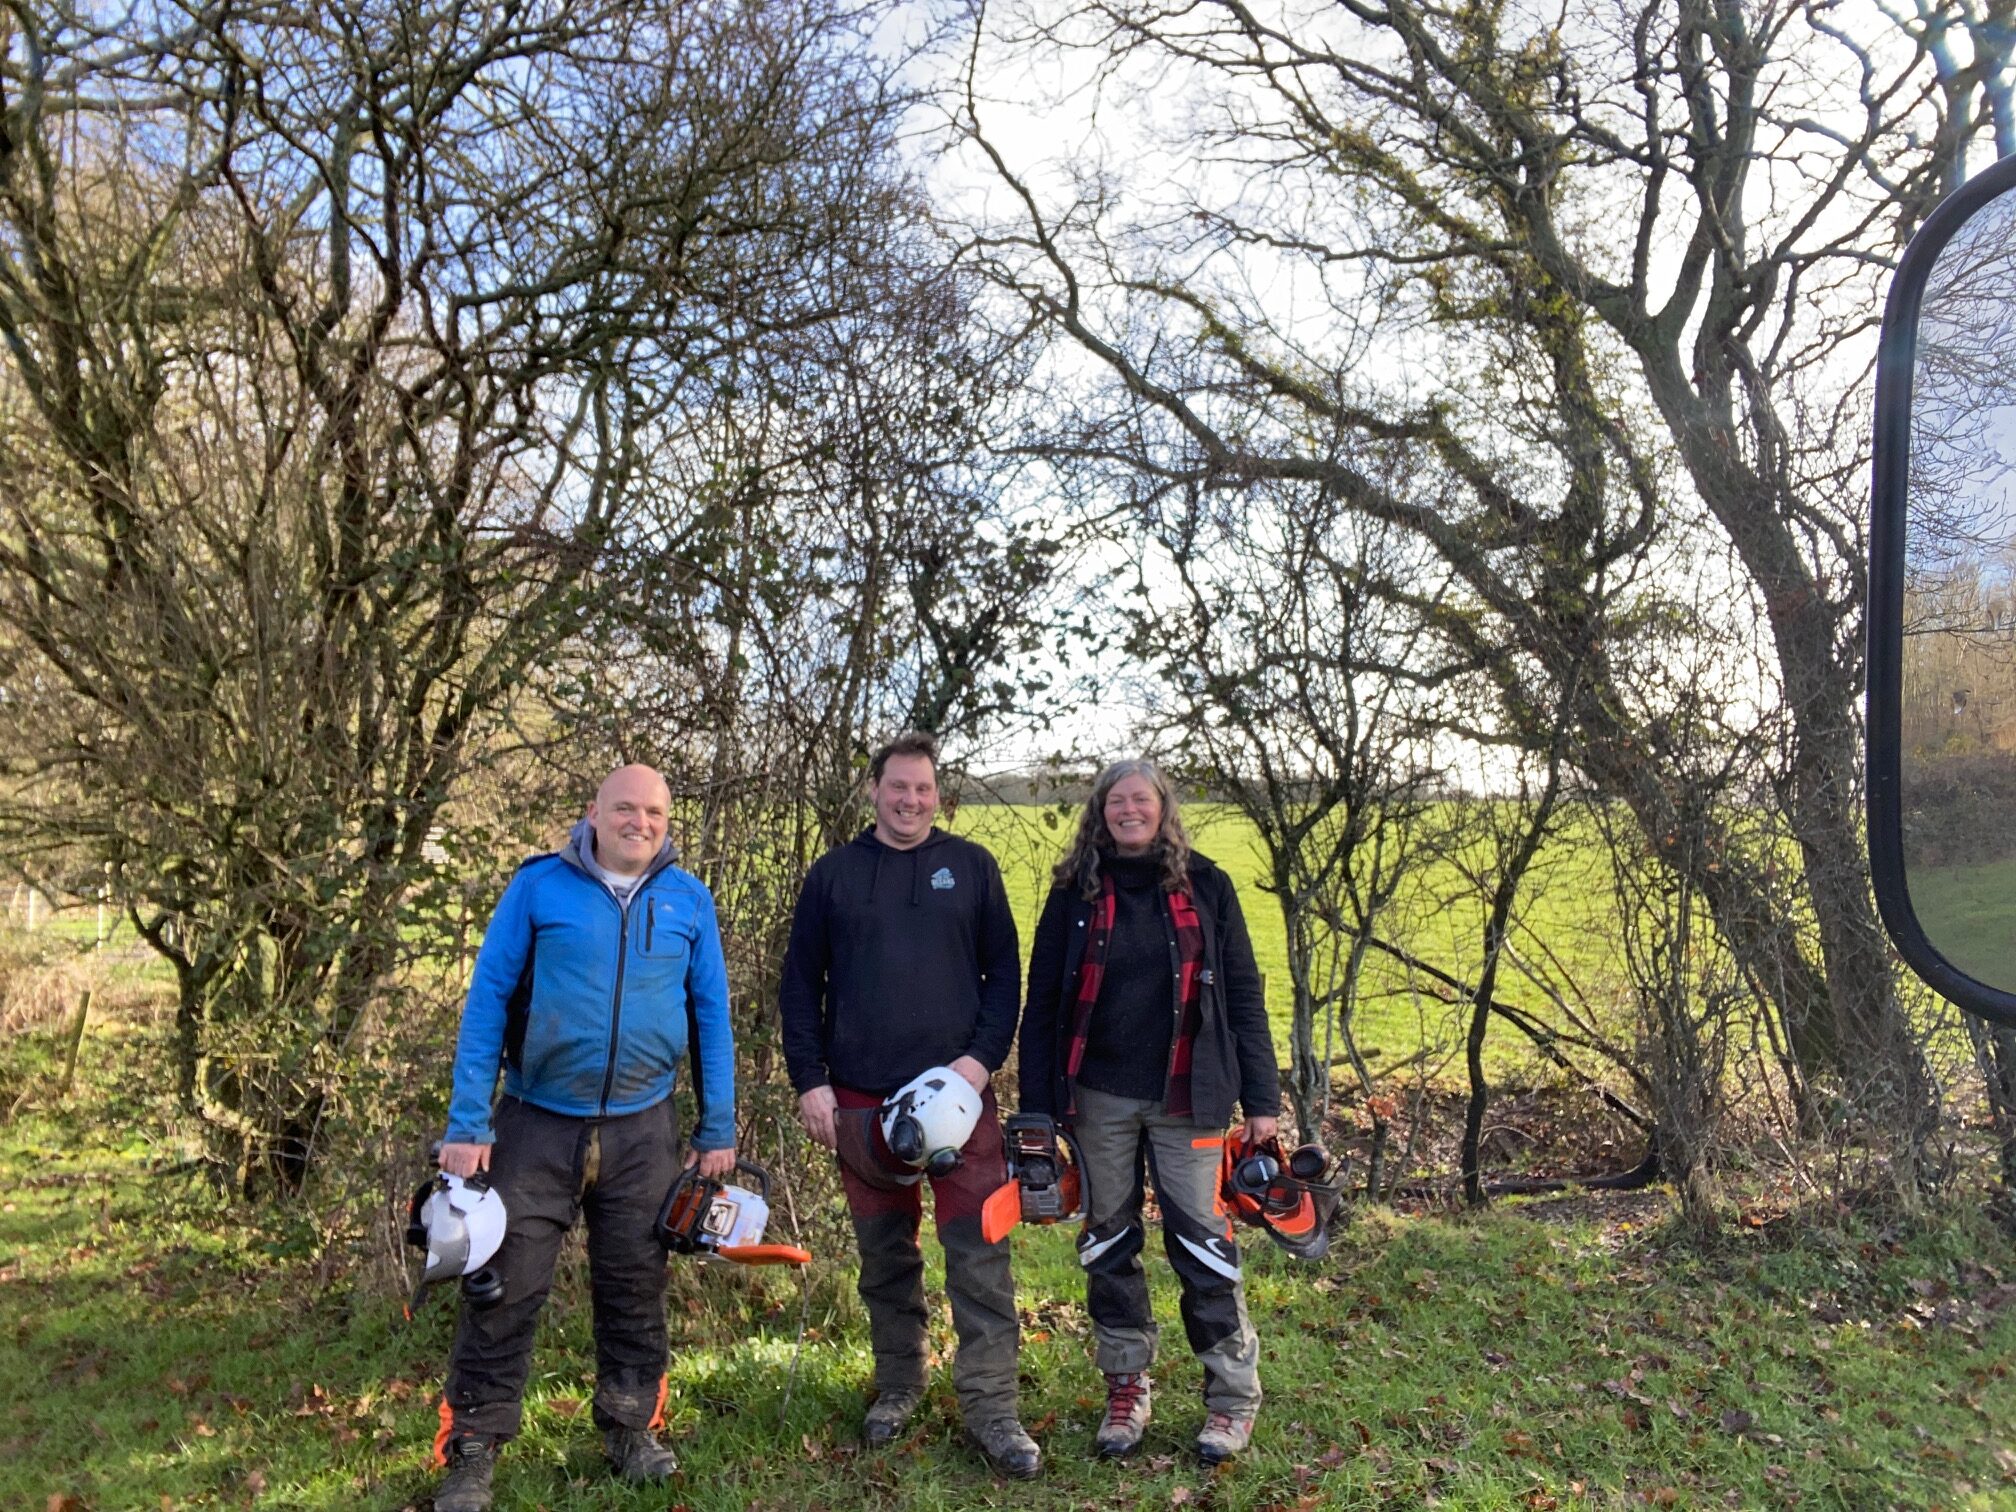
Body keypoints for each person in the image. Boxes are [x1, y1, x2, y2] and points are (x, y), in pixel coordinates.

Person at [429, 764, 737, 1512]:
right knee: (502, 1287)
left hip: (644, 1128)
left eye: (654, 812)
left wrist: (717, 1126)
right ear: (594, 813)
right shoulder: (538, 888)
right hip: (536, 1123)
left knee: (635, 1285)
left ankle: (631, 1428)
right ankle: (472, 1449)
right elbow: (487, 1001)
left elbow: (711, 1018)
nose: (640, 822)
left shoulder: (689, 899)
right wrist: (467, 1123)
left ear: (668, 821)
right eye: (625, 808)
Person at [778, 731, 1040, 1478]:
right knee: (885, 1255)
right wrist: (810, 1080)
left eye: (923, 789)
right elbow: (799, 985)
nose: (910, 800)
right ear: (874, 790)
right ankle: (900, 1383)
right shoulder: (833, 875)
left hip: (963, 1101)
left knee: (979, 1253)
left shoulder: (973, 868)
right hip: (863, 1104)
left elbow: (1005, 977)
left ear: (938, 795)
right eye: (898, 786)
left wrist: (979, 1063)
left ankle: (992, 1408)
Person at [1018, 757, 1281, 1466]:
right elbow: (1042, 1005)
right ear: (1100, 812)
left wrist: (1262, 1100)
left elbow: (1244, 996)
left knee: (1203, 1244)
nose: (1129, 810)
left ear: (1163, 808)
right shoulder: (1073, 893)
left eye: (1142, 799)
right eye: (1116, 801)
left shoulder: (1208, 886)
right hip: (1096, 1098)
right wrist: (1036, 1111)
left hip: (1190, 1095)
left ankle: (1231, 1399)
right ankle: (1126, 1386)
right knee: (1108, 1243)